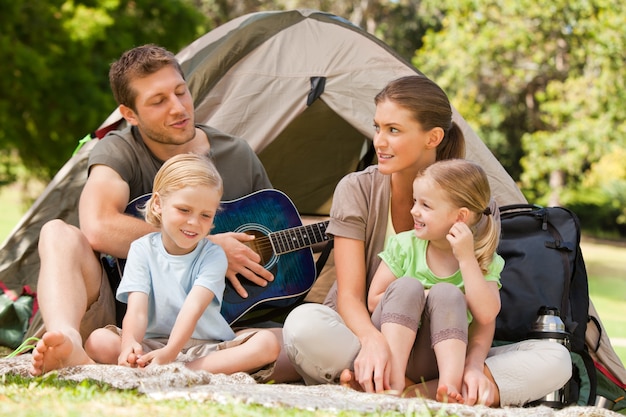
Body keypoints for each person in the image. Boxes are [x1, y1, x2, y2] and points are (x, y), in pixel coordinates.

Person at [282, 75, 572, 406]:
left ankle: (398, 392)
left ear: (432, 137)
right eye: (377, 127)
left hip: (446, 347)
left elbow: (483, 315)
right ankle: (436, 393)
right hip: (366, 336)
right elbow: (350, 296)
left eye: (393, 130)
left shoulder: (474, 203)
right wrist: (372, 342)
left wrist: (475, 366)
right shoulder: (357, 189)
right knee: (303, 325)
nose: (379, 141)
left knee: (556, 358)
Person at [29, 44, 298, 380]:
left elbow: (274, 227)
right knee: (56, 233)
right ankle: (68, 343)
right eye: (158, 102)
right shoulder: (119, 149)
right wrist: (207, 244)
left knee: (296, 343)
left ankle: (173, 365)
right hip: (121, 312)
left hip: (218, 321)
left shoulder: (237, 154)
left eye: (181, 92)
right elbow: (97, 226)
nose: (178, 108)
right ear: (130, 114)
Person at [84, 154, 279, 377]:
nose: (194, 222)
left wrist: (170, 354)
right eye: (184, 210)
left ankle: (180, 371)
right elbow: (137, 310)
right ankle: (157, 367)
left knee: (267, 343)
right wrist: (130, 344)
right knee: (98, 340)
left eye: (206, 215)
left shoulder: (213, 255)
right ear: (158, 204)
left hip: (206, 348)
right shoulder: (141, 249)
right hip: (153, 345)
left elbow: (192, 309)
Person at [365, 159, 503, 402]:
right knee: (408, 287)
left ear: (460, 216)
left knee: (448, 294)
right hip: (393, 346)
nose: (413, 211)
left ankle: (448, 387)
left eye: (425, 205)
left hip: (436, 359)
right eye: (414, 201)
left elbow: (487, 315)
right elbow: (374, 301)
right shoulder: (405, 245)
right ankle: (393, 381)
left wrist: (467, 259)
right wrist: (424, 297)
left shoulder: (481, 259)